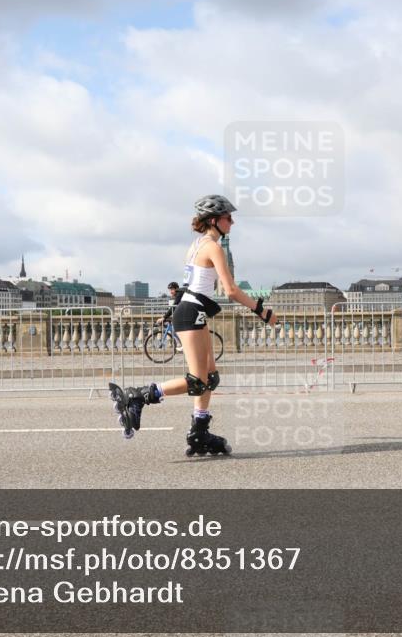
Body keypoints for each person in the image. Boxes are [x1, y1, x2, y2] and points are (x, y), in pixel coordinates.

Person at [109, 194, 278, 456]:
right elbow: (231, 290)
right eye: (228, 217)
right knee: (197, 381)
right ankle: (139, 396)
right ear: (214, 220)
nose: (232, 222)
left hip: (191, 310)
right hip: (191, 312)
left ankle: (199, 431)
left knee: (210, 378)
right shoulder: (213, 248)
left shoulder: (197, 245)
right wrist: (262, 311)